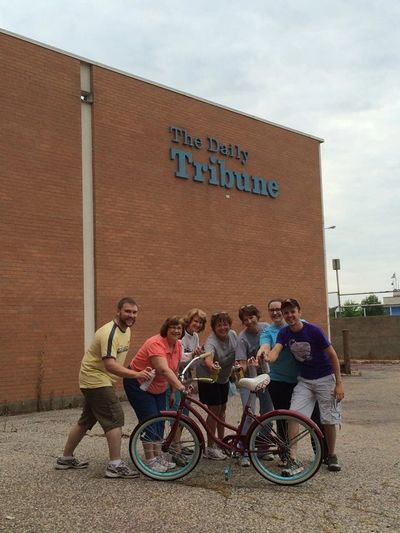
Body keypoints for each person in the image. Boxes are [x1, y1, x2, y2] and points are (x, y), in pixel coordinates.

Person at [56, 297, 152, 479]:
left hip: (100, 380)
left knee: (86, 420)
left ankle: (65, 458)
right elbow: (110, 364)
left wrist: (136, 371)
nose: (131, 315)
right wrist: (136, 374)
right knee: (115, 417)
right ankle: (114, 465)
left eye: (134, 312)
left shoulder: (127, 330)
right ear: (118, 312)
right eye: (127, 312)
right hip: (95, 380)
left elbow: (115, 363)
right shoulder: (110, 333)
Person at [261, 298, 344, 475]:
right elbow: (275, 350)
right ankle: (293, 458)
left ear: (299, 312)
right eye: (286, 312)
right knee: (294, 415)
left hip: (324, 378)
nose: (289, 315)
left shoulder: (313, 330)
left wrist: (339, 384)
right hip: (305, 380)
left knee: (328, 419)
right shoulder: (284, 333)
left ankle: (331, 455)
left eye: (293, 311)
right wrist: (267, 357)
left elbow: (333, 355)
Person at [123, 316, 186, 473]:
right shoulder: (155, 343)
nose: (176, 331)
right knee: (149, 420)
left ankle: (158, 457)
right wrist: (180, 387)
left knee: (160, 420)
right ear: (166, 328)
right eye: (173, 327)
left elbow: (174, 369)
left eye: (179, 328)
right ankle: (150, 460)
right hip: (139, 384)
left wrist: (172, 391)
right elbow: (164, 369)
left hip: (159, 386)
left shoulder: (178, 345)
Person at [234, 304, 273, 467]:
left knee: (268, 413)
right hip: (249, 380)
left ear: (257, 316)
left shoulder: (266, 328)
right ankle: (243, 451)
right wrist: (245, 366)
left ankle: (263, 448)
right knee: (249, 414)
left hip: (266, 377)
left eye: (251, 317)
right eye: (245, 320)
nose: (249, 321)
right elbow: (240, 364)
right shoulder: (242, 338)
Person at [196, 311, 238, 460]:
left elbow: (239, 353)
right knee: (214, 411)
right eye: (219, 325)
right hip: (209, 377)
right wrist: (211, 365)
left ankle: (221, 443)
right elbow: (208, 357)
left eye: (225, 324)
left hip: (224, 378)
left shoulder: (233, 335)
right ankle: (210, 447)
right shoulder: (211, 341)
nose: (223, 327)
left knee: (223, 409)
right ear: (213, 327)